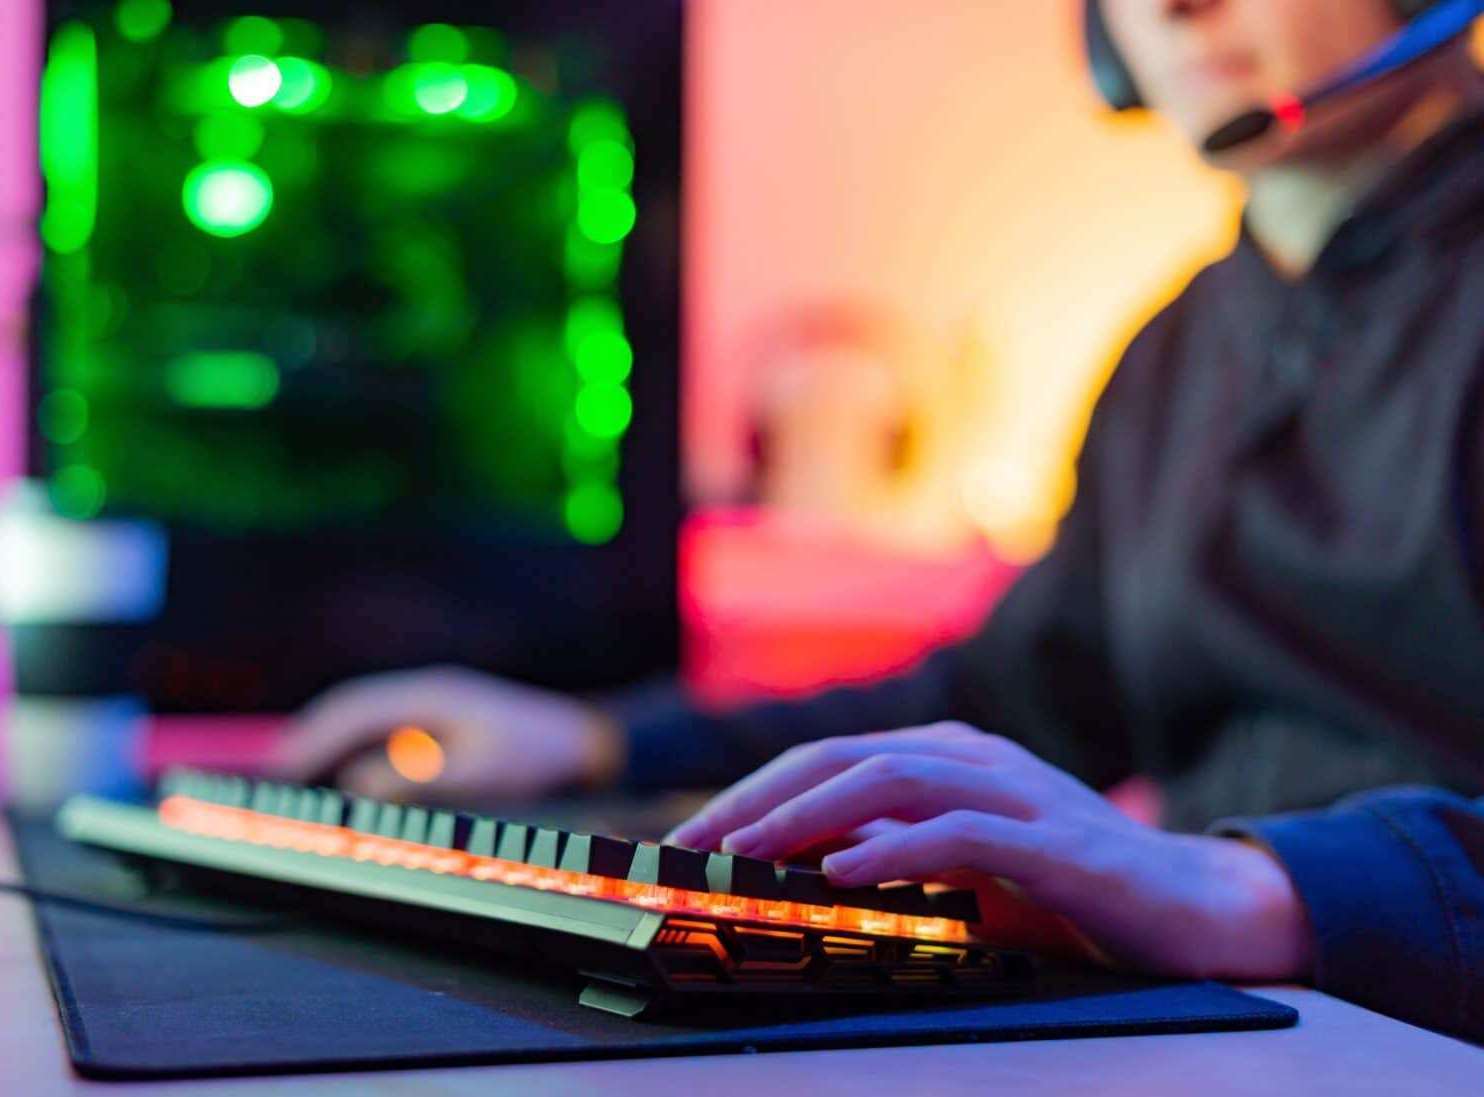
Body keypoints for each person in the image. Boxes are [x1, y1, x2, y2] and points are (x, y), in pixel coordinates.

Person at [277, 0, 1484, 1042]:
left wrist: (1259, 889)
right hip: (1252, 1024)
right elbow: (1013, 704)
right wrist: (597, 745)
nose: (1170, 8)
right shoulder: (1176, 353)